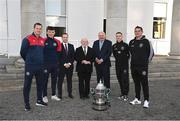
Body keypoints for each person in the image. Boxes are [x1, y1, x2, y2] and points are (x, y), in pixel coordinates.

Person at [20, 23, 47, 111]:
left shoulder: (43, 40)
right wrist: (29, 60)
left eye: (40, 29)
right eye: (37, 28)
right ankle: (26, 104)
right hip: (30, 67)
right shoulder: (27, 39)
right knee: (27, 85)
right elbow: (22, 52)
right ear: (34, 28)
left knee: (40, 84)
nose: (38, 30)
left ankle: (39, 100)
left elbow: (43, 53)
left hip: (40, 67)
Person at [129, 26, 154, 108]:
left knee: (144, 83)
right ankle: (137, 99)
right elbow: (130, 54)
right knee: (136, 83)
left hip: (143, 67)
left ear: (142, 32)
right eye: (135, 31)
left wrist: (146, 63)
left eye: (139, 31)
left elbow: (151, 53)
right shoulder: (131, 42)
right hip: (133, 67)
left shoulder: (146, 41)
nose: (137, 32)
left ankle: (146, 100)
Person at [42, 26, 62, 103]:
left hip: (55, 65)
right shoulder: (43, 40)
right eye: (49, 32)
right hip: (46, 65)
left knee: (54, 80)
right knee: (45, 81)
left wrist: (58, 64)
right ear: (47, 32)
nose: (51, 33)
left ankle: (53, 95)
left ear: (54, 33)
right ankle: (44, 96)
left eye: (52, 32)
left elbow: (59, 53)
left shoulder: (57, 41)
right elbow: (40, 53)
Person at [112, 32, 130, 101]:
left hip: (124, 66)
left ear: (122, 37)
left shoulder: (126, 45)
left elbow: (128, 55)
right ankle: (122, 93)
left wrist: (124, 61)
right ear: (116, 37)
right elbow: (115, 55)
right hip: (117, 65)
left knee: (125, 79)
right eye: (117, 36)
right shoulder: (114, 46)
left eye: (119, 36)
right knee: (119, 79)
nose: (118, 37)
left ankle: (126, 94)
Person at [57, 33, 75, 99]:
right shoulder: (59, 46)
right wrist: (64, 64)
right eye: (64, 37)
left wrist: (69, 64)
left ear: (68, 38)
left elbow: (73, 56)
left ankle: (70, 93)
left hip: (70, 67)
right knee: (60, 81)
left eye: (66, 37)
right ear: (62, 38)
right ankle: (60, 94)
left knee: (69, 80)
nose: (65, 38)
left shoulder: (71, 46)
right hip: (61, 67)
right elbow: (58, 57)